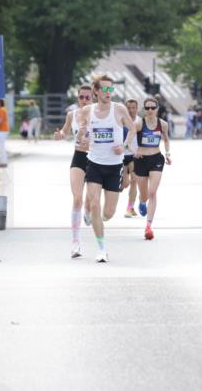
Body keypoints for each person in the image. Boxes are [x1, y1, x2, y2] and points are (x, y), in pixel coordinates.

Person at [77, 74, 136, 263]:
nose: (109, 92)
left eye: (111, 89)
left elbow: (133, 129)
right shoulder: (87, 111)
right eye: (105, 89)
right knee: (95, 204)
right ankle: (102, 249)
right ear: (96, 91)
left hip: (114, 166)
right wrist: (83, 139)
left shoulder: (119, 109)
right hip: (94, 163)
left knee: (108, 213)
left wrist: (125, 146)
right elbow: (81, 134)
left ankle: (95, 217)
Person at [54, 84, 93, 258]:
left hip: (96, 159)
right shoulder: (72, 115)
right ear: (78, 98)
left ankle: (88, 209)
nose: (84, 100)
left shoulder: (99, 115)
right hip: (78, 157)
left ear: (93, 98)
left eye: (88, 97)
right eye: (81, 97)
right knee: (77, 197)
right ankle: (75, 243)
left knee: (90, 199)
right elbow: (65, 130)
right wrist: (60, 135)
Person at [134, 97, 172, 241]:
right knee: (144, 195)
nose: (150, 110)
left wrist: (167, 153)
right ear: (144, 110)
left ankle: (148, 226)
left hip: (156, 158)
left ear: (157, 109)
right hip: (141, 160)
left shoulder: (163, 124)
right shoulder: (139, 123)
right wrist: (134, 150)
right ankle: (142, 202)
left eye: (152, 108)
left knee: (152, 192)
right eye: (147, 108)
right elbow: (130, 136)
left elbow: (166, 139)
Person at [122, 99, 141, 218]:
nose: (131, 110)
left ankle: (130, 207)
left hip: (134, 156)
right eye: (129, 108)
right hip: (121, 156)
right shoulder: (121, 121)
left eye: (133, 108)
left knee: (134, 181)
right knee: (125, 184)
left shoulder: (140, 122)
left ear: (137, 108)